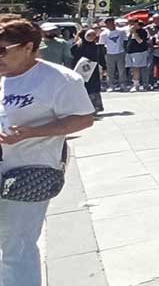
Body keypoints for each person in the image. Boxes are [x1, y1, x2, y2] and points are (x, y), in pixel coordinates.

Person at [0, 15, 96, 284]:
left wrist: (32, 133)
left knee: (16, 245)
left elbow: (83, 118)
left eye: (2, 50)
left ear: (28, 47)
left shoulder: (60, 79)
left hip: (29, 170)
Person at [71, 29, 105, 114]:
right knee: (84, 88)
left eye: (93, 35)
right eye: (89, 35)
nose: (91, 37)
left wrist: (104, 67)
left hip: (94, 70)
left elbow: (101, 57)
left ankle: (95, 107)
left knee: (94, 88)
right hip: (82, 70)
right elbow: (73, 55)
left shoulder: (96, 46)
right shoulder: (78, 46)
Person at [97, 17, 128, 92]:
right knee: (110, 70)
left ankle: (123, 84)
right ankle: (111, 85)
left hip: (120, 52)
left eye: (111, 22)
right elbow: (101, 45)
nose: (110, 24)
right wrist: (103, 55)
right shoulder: (103, 34)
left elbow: (125, 41)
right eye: (108, 23)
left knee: (121, 70)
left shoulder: (121, 32)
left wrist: (125, 51)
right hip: (109, 53)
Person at [125, 23, 152, 92]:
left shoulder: (142, 31)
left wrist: (134, 33)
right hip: (130, 52)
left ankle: (139, 85)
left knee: (138, 68)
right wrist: (131, 32)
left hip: (139, 52)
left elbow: (140, 41)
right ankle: (135, 84)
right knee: (133, 69)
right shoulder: (129, 32)